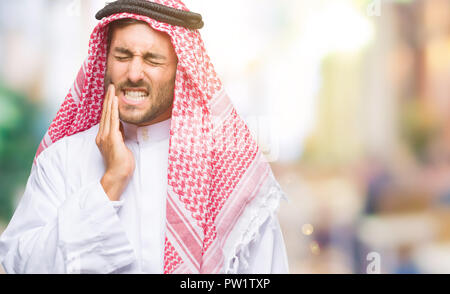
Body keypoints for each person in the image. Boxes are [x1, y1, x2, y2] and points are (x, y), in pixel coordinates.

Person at [0, 0, 289, 274]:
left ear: (181, 71)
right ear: (106, 60)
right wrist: (111, 181)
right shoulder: (62, 161)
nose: (134, 72)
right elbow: (23, 265)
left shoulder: (231, 171)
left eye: (152, 59)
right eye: (122, 56)